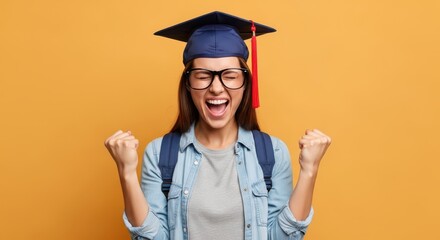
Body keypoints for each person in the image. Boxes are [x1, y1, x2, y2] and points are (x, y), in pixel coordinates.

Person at [104, 11, 331, 240]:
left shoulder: (272, 153)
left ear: (245, 84)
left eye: (230, 76)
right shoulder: (160, 154)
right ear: (188, 84)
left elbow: (282, 238)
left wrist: (309, 171)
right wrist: (126, 174)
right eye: (203, 75)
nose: (216, 88)